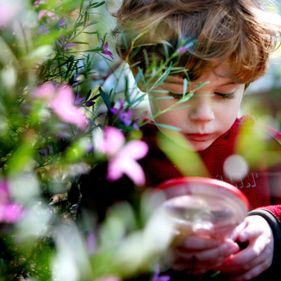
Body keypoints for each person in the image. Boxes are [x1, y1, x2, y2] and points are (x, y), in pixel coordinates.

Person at [109, 0, 281, 280]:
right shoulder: (126, 158)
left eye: (224, 94)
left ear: (246, 82)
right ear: (142, 77)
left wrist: (273, 225)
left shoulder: (267, 150)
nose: (203, 115)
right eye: (179, 94)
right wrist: (151, 243)